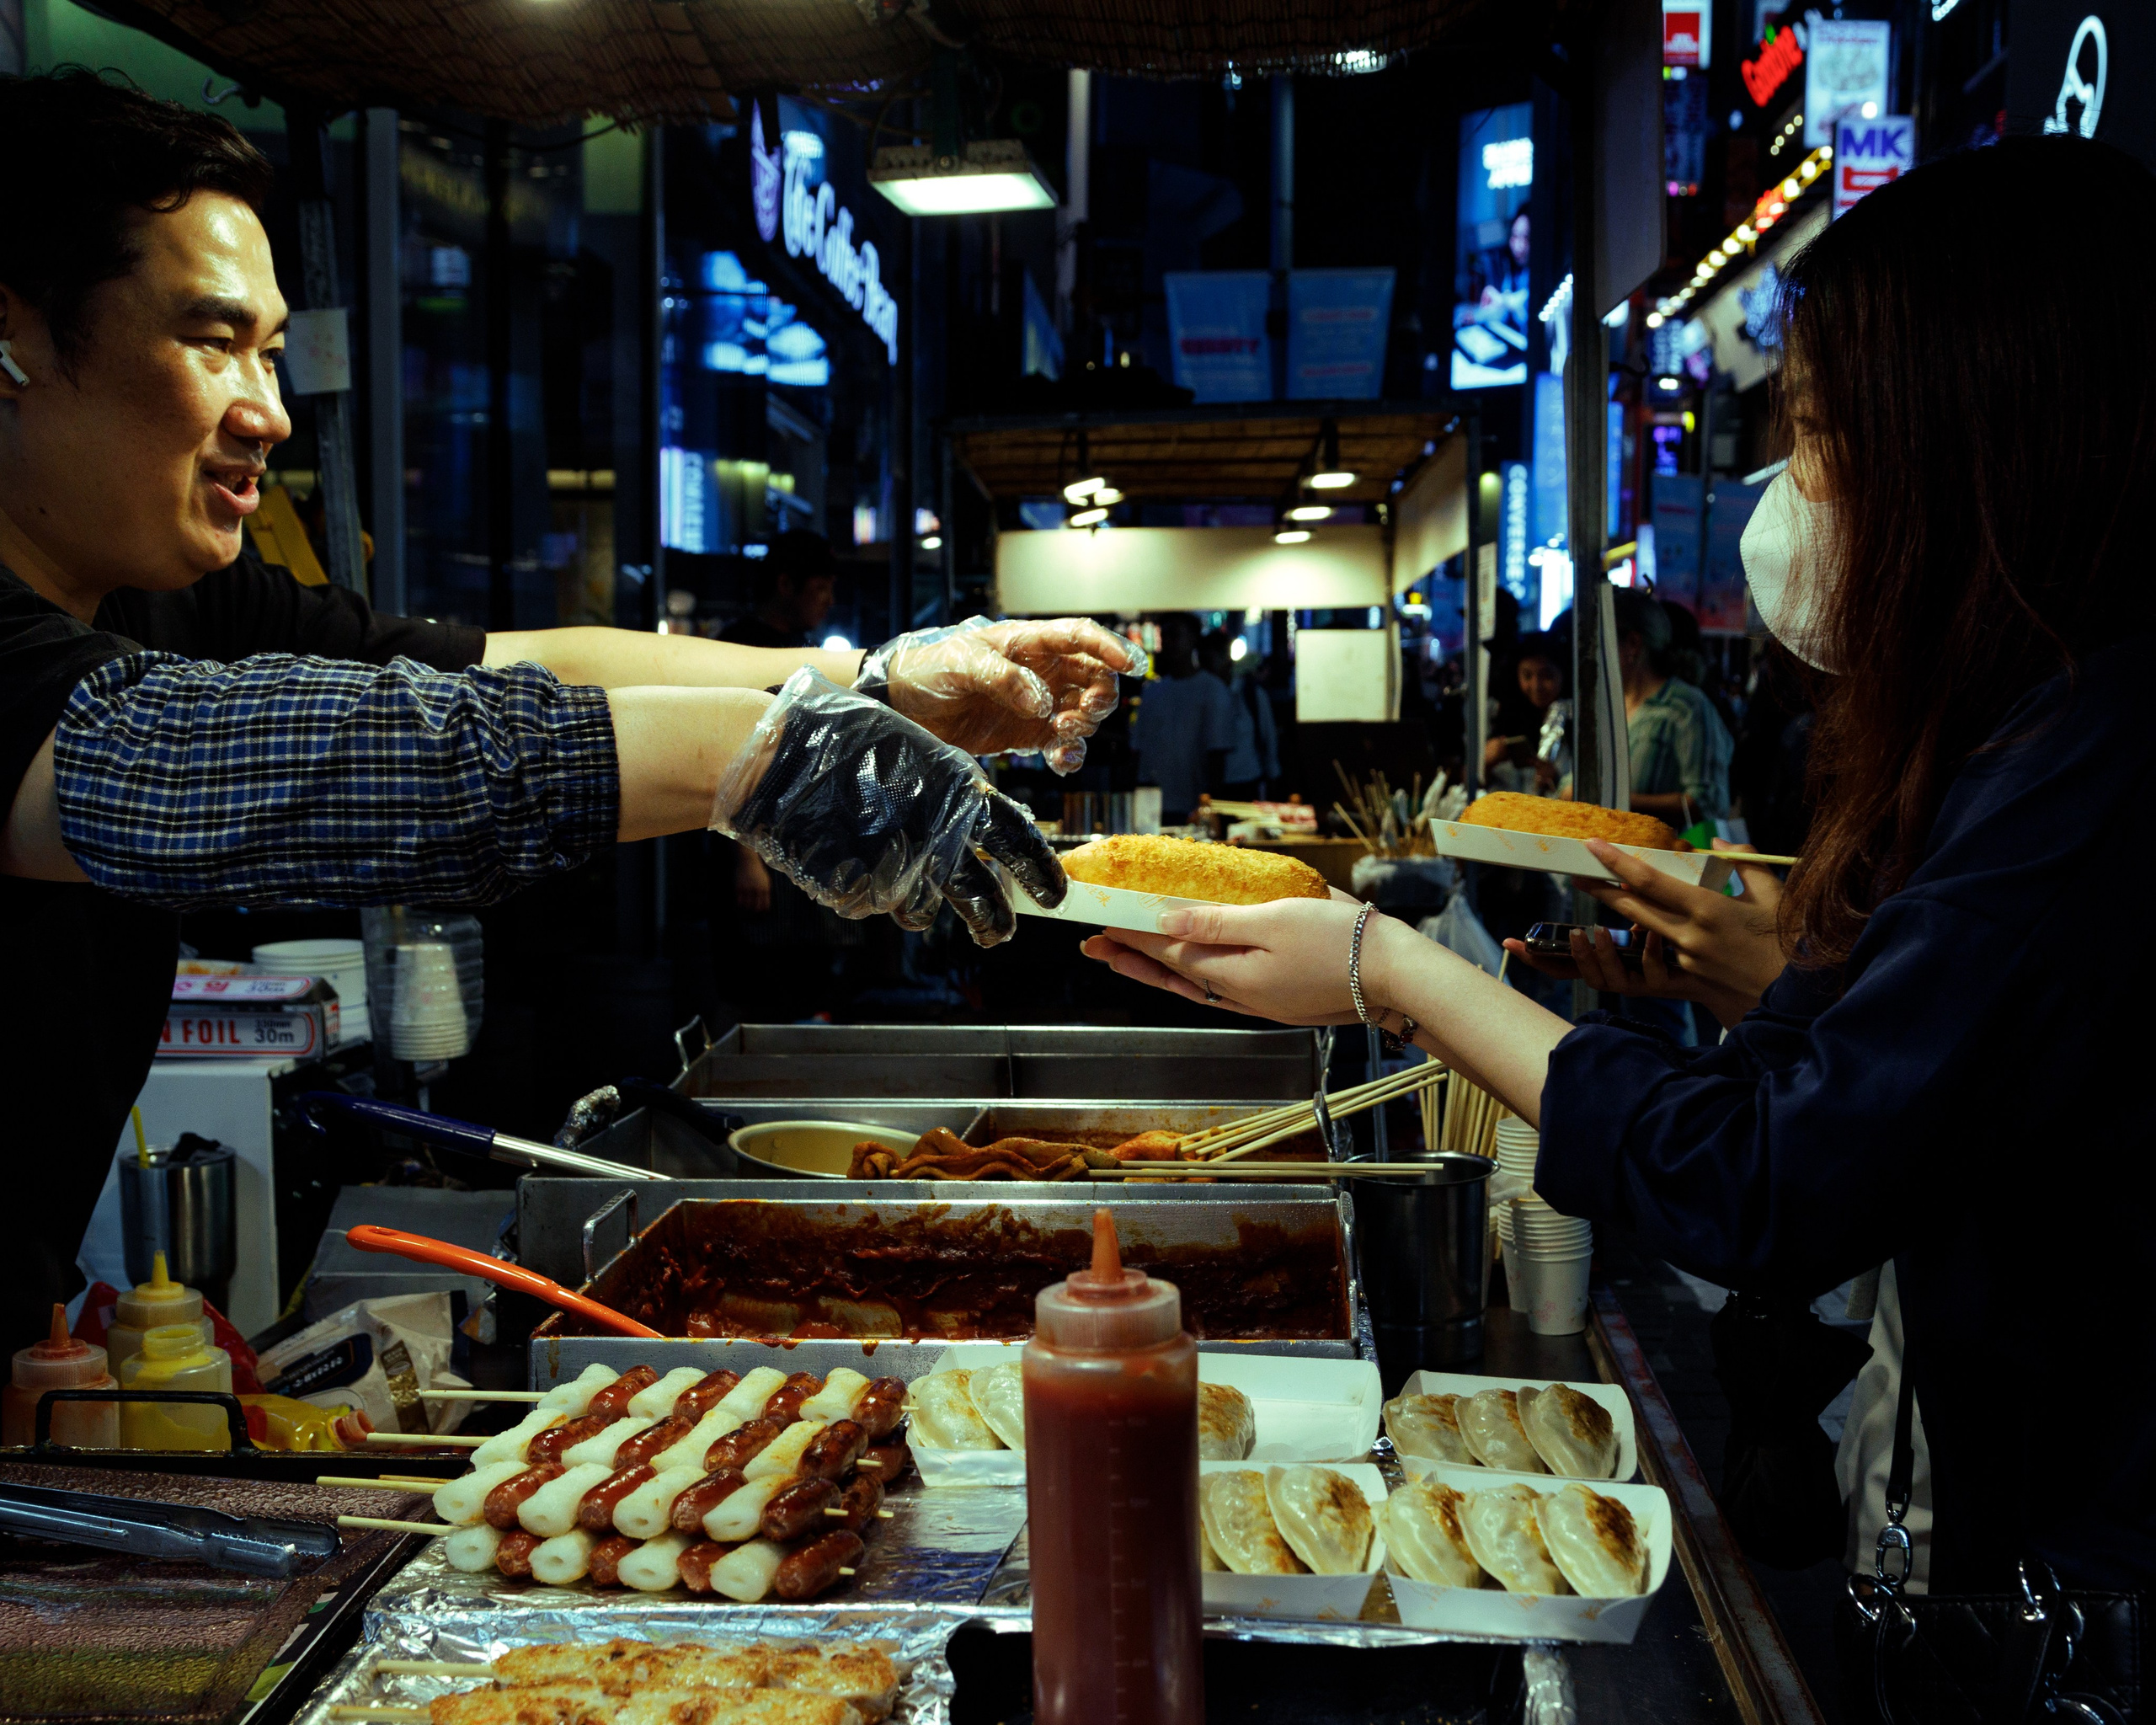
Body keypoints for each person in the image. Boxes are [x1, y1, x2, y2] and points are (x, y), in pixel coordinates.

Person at [1081, 136, 2156, 1603]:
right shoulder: (2004, 744)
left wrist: (1390, 969)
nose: (1793, 487)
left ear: (1980, 443)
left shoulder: (2094, 760)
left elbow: (1777, 1178)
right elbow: (1855, 1094)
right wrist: (1774, 974)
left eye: (1827, 432)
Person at [0, 72, 1143, 1343]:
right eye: (211, 342)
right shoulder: (73, 679)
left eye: (270, 351)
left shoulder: (165, 597)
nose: (265, 410)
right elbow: (176, 767)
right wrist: (754, 759)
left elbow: (501, 666)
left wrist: (868, 680)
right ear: (17, 337)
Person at [1613, 587, 1732, 831]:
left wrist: (1615, 800)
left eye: (1600, 640)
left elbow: (1708, 802)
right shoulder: (1609, 705)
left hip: (1660, 860)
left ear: (1633, 644)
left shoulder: (1685, 707)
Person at [1129, 613, 1236, 824]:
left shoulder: (1212, 690)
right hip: (1152, 805)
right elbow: (1138, 751)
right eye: (1165, 636)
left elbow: (1217, 755)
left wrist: (1209, 807)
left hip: (1193, 806)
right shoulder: (1153, 691)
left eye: (1175, 635)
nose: (1168, 642)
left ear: (1193, 638)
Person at [720, 530, 836, 650]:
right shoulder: (739, 646)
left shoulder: (800, 645)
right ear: (785, 585)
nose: (830, 601)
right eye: (821, 588)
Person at [1198, 629, 1278, 799]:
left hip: (1247, 783)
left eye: (1210, 659)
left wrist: (1272, 779)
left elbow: (1268, 738)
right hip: (1208, 785)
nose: (1207, 668)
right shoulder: (1200, 695)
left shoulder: (1250, 694)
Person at [1485, 630, 1566, 795]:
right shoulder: (1507, 719)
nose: (1536, 686)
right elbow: (1473, 783)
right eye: (1527, 676)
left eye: (1546, 675)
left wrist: (1558, 779)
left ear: (1562, 674)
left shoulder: (1576, 722)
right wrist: (1486, 762)